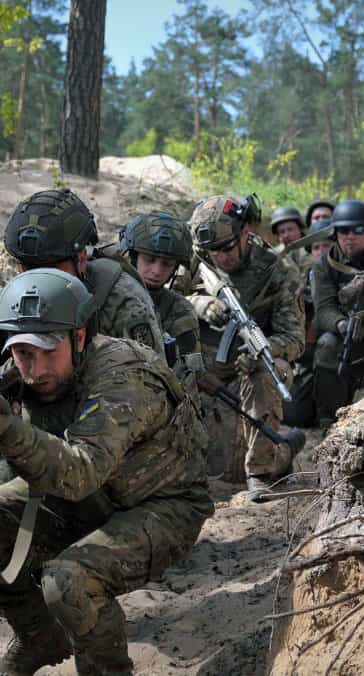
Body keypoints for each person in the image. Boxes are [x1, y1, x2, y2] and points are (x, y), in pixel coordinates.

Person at [0, 268, 212, 675]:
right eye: (25, 353)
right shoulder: (13, 375)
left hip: (160, 505)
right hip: (80, 497)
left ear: (79, 337)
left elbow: (82, 470)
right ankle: (39, 637)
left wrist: (10, 431)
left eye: (50, 351)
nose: (38, 368)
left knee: (68, 581)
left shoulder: (123, 375)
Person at [0, 188, 164, 387]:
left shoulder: (121, 299)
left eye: (52, 269)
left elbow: (153, 383)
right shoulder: (17, 299)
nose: (40, 280)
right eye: (30, 269)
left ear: (82, 259)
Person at [187, 194, 304, 500]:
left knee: (269, 372)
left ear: (245, 233)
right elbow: (162, 301)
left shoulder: (278, 271)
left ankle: (261, 471)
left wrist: (263, 350)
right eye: (214, 252)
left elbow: (295, 339)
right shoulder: (197, 259)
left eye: (227, 248)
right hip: (201, 366)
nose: (222, 258)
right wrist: (200, 304)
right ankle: (284, 448)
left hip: (249, 369)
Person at [311, 199, 364, 429]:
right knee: (326, 345)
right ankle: (329, 420)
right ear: (335, 233)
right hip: (345, 336)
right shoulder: (325, 265)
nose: (350, 236)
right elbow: (323, 310)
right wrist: (343, 325)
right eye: (344, 230)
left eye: (358, 230)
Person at [118, 211, 204, 386]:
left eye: (167, 264)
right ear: (133, 256)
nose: (157, 271)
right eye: (149, 260)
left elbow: (191, 375)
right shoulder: (111, 295)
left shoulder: (180, 310)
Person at [283, 217, 335, 427]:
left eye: (327, 245)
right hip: (308, 357)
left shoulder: (346, 276)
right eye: (316, 247)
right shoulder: (302, 281)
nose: (321, 251)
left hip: (338, 355)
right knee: (295, 416)